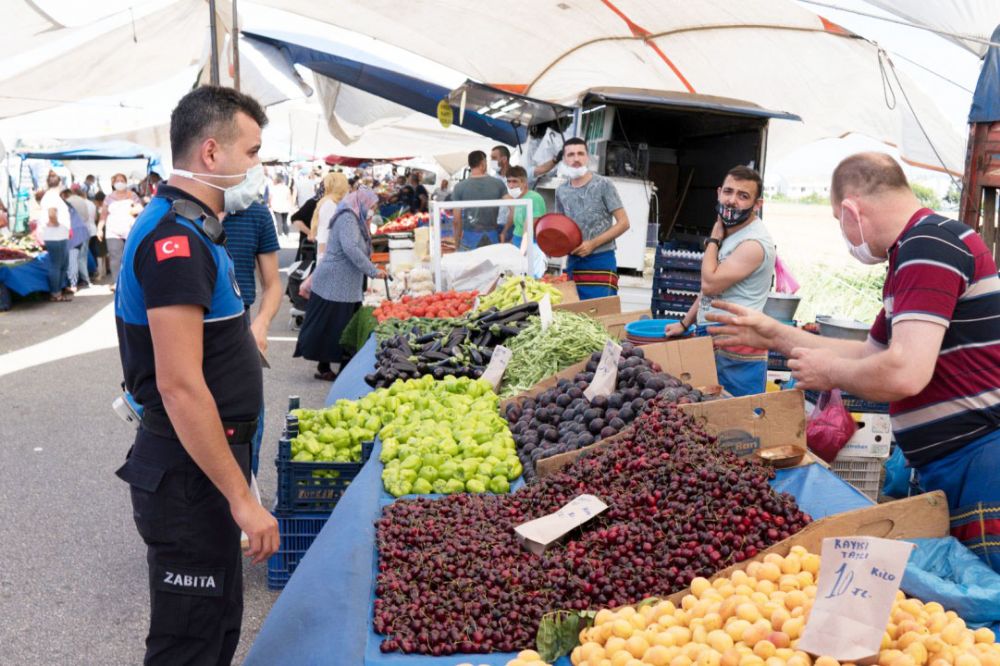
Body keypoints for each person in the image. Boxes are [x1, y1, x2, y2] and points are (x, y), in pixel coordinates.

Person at [709, 152, 1000, 572]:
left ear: (851, 209)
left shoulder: (928, 246)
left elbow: (904, 371)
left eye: (836, 220)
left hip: (979, 465)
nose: (843, 233)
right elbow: (871, 354)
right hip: (956, 463)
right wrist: (775, 334)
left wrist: (830, 374)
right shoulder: (912, 252)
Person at [113, 85, 279, 665]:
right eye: (253, 152)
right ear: (212, 154)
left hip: (205, 464)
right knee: (189, 645)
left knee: (214, 630)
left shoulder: (196, 230)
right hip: (190, 476)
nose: (260, 167)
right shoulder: (175, 241)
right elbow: (179, 385)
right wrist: (242, 499)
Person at [665, 165, 775, 397]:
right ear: (718, 193)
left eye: (743, 196)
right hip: (716, 336)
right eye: (728, 192)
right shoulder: (732, 232)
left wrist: (713, 240)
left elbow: (710, 284)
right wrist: (685, 323)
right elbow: (712, 293)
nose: (732, 200)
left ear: (757, 205)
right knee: (710, 414)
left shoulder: (753, 243)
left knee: (737, 417)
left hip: (738, 345)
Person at [296, 187, 387, 381]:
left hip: (344, 284)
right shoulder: (348, 218)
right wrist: (372, 270)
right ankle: (334, 367)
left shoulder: (356, 218)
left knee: (337, 325)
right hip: (335, 283)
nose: (372, 209)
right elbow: (351, 248)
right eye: (371, 205)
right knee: (335, 326)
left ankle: (332, 366)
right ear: (361, 202)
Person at [221, 200, 282, 476]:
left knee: (247, 417)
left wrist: (262, 322)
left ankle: (247, 485)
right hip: (190, 322)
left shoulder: (256, 213)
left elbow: (273, 284)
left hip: (240, 322)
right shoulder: (178, 209)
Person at [554, 137, 630, 299]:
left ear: (587, 157)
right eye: (571, 154)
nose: (576, 159)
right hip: (574, 261)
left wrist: (592, 244)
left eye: (580, 154)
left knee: (601, 314)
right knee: (574, 316)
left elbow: (624, 223)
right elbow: (561, 228)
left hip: (601, 259)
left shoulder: (604, 184)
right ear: (564, 159)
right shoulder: (561, 191)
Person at [450, 150, 509, 250]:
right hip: (492, 236)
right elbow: (514, 206)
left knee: (469, 265)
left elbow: (456, 220)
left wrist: (457, 242)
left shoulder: (459, 187)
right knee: (493, 265)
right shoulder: (498, 184)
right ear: (483, 164)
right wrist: (504, 231)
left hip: (470, 238)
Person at [101, 173, 143, 289]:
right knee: (115, 257)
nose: (120, 182)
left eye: (122, 180)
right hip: (113, 231)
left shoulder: (132, 195)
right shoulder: (108, 198)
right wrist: (100, 228)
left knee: (130, 255)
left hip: (129, 230)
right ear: (113, 183)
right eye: (117, 180)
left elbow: (141, 208)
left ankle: (131, 280)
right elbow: (103, 214)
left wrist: (133, 210)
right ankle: (117, 282)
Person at [40, 172, 72, 301]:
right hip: (55, 235)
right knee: (57, 265)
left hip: (59, 235)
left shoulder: (52, 196)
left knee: (61, 264)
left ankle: (58, 291)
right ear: (60, 183)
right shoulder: (51, 196)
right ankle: (55, 292)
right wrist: (57, 223)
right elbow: (52, 213)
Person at [505, 165, 546, 249]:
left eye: (514, 181)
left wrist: (522, 251)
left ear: (524, 182)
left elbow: (529, 229)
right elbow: (518, 227)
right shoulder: (517, 198)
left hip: (531, 243)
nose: (511, 185)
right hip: (517, 240)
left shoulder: (534, 198)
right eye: (508, 181)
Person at [310, 171, 351, 252]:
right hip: (331, 255)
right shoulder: (330, 204)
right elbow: (325, 234)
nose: (348, 187)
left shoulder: (333, 202)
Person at [61, 187, 93, 291]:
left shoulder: (66, 203)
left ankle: (73, 283)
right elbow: (87, 216)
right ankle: (86, 279)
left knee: (73, 258)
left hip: (73, 232)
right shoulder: (82, 200)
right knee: (82, 257)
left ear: (64, 194)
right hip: (83, 230)